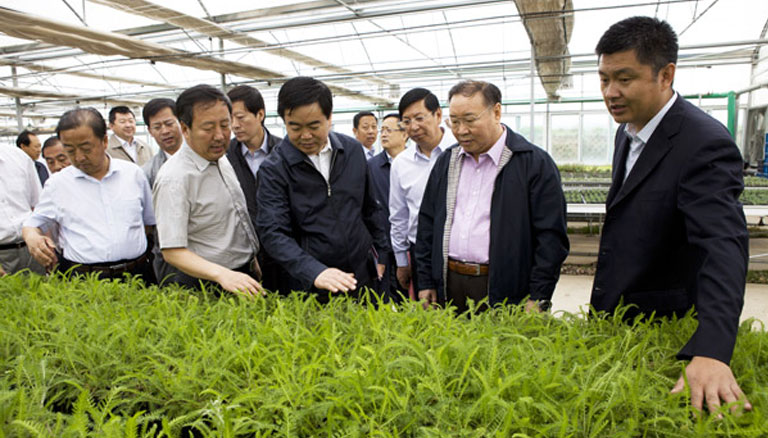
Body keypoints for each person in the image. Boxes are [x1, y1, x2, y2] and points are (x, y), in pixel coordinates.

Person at [592, 16, 752, 415]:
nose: (610, 92)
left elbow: (722, 246)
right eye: (604, 79)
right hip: (619, 322)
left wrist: (712, 350)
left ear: (666, 75)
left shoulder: (704, 142)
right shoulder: (629, 130)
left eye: (624, 79)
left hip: (663, 328)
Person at [415, 80, 569, 313]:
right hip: (450, 283)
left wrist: (539, 295)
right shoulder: (447, 161)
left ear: (496, 112)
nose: (461, 130)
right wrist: (426, 280)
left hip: (506, 287)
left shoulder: (532, 163)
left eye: (470, 120)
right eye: (454, 121)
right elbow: (427, 222)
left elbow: (551, 238)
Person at [255, 76, 390, 301]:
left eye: (314, 126)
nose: (305, 135)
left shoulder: (352, 151)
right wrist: (314, 271)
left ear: (329, 118)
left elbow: (369, 208)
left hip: (361, 274)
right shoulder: (274, 169)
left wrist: (382, 252)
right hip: (310, 284)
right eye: (295, 127)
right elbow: (273, 232)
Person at [22, 108, 156, 283]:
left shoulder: (133, 174)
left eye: (86, 148)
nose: (79, 158)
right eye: (70, 150)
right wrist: (32, 237)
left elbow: (147, 223)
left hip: (137, 273)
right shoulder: (57, 184)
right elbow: (32, 224)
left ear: (104, 141)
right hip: (85, 278)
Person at [152, 84, 262, 296]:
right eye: (208, 128)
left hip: (240, 275)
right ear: (185, 129)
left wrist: (252, 258)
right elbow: (172, 251)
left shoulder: (221, 159)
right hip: (207, 283)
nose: (220, 136)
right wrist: (223, 275)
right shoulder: (174, 178)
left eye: (225, 125)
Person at [389, 88, 455, 297]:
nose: (414, 127)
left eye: (419, 118)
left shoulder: (459, 151)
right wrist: (402, 261)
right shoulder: (401, 163)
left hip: (455, 251)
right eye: (406, 121)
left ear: (438, 115)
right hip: (420, 252)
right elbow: (399, 216)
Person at [226, 85, 283, 292]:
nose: (235, 125)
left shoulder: (284, 151)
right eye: (230, 119)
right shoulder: (225, 156)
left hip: (282, 248)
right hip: (242, 256)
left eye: (240, 117)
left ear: (260, 114)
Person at [368, 113, 408, 301]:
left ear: (405, 134)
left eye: (389, 130)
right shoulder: (371, 167)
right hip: (382, 246)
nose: (383, 134)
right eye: (382, 130)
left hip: (409, 245)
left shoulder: (414, 164)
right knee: (383, 298)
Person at [0, 143, 45, 276]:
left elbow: (38, 205)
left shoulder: (18, 157)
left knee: (43, 287)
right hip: (2, 254)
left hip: (32, 248)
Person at [142, 98, 183, 188]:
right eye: (157, 127)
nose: (165, 131)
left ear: (181, 122)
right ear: (150, 131)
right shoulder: (148, 172)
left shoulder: (205, 156)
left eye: (169, 124)